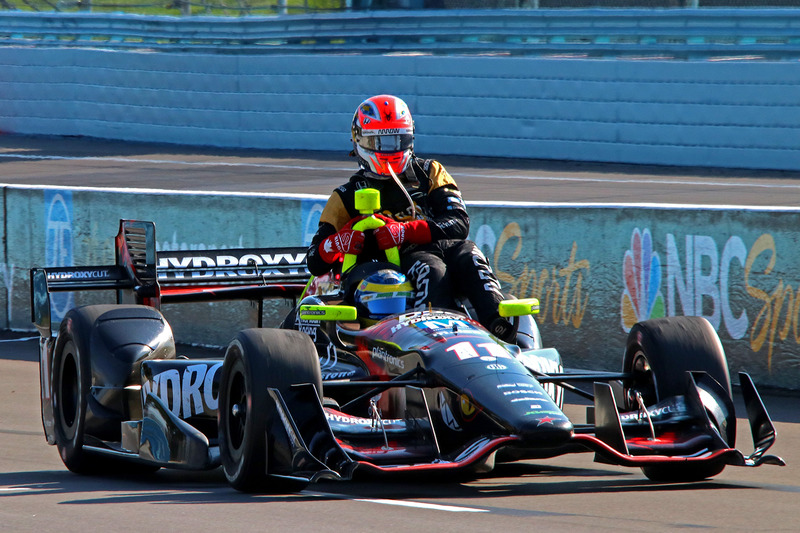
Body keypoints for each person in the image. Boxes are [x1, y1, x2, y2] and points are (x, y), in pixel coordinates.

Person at [306, 94, 514, 341]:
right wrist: (339, 242)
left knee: (471, 255)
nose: (391, 149)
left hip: (447, 248)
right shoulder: (345, 195)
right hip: (392, 270)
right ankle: (438, 341)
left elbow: (459, 223)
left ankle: (499, 328)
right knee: (431, 269)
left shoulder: (431, 172)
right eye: (382, 142)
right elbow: (314, 260)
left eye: (398, 140)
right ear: (360, 140)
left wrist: (405, 231)